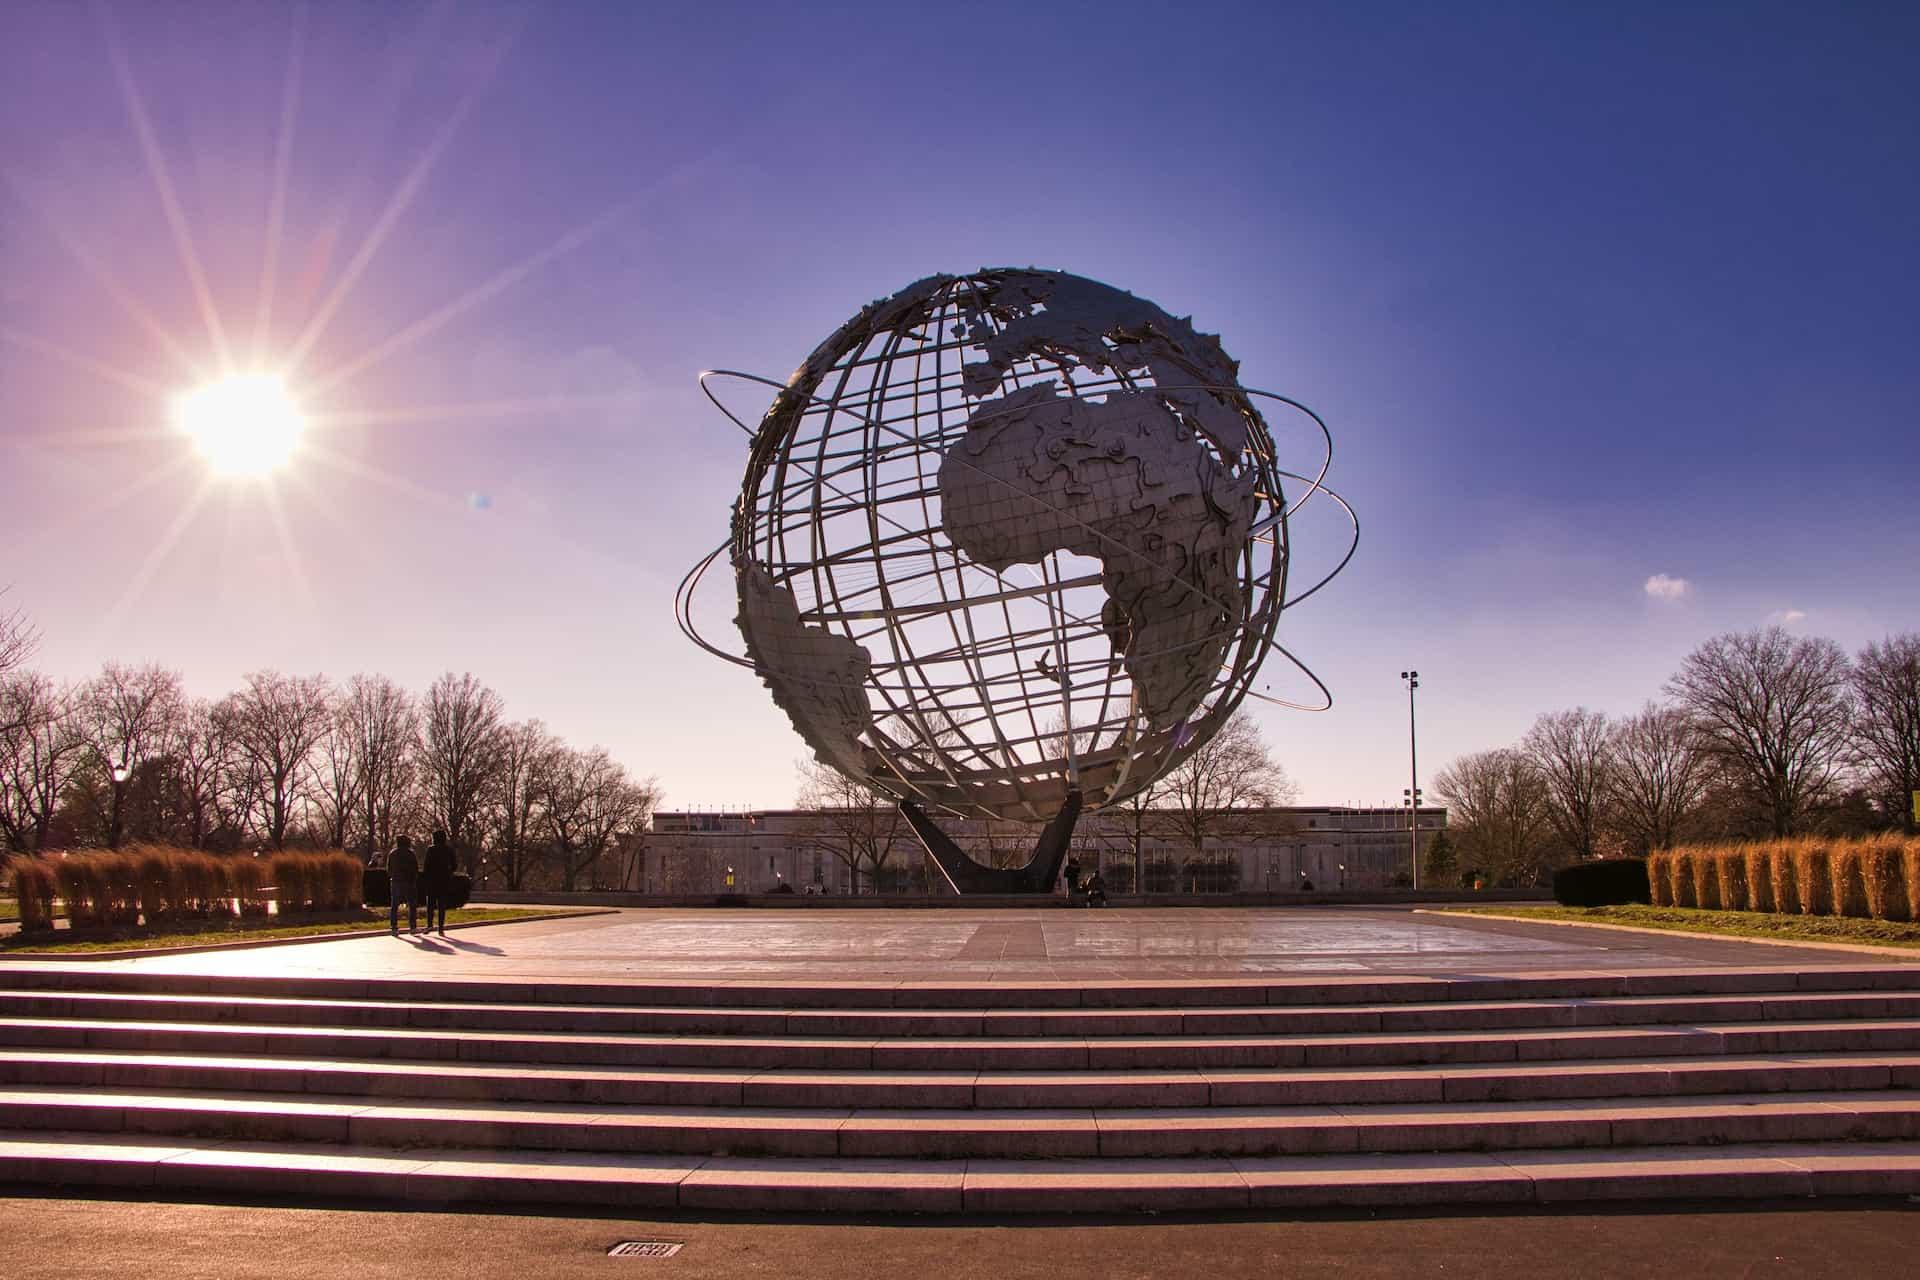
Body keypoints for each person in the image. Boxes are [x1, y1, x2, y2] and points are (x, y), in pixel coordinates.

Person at [421, 829, 456, 936]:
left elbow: (426, 866)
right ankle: (441, 927)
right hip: (444, 880)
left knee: (430, 904)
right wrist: (448, 872)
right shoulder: (449, 850)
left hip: (432, 880)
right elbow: (454, 865)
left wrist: (426, 877)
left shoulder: (431, 849)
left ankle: (429, 924)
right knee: (441, 905)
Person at [387, 835, 419, 934]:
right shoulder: (410, 853)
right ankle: (412, 927)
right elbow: (415, 868)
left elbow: (389, 868)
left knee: (394, 905)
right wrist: (413, 879)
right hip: (408, 881)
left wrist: (392, 876)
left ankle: (394, 927)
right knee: (412, 904)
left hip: (396, 880)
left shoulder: (392, 853)